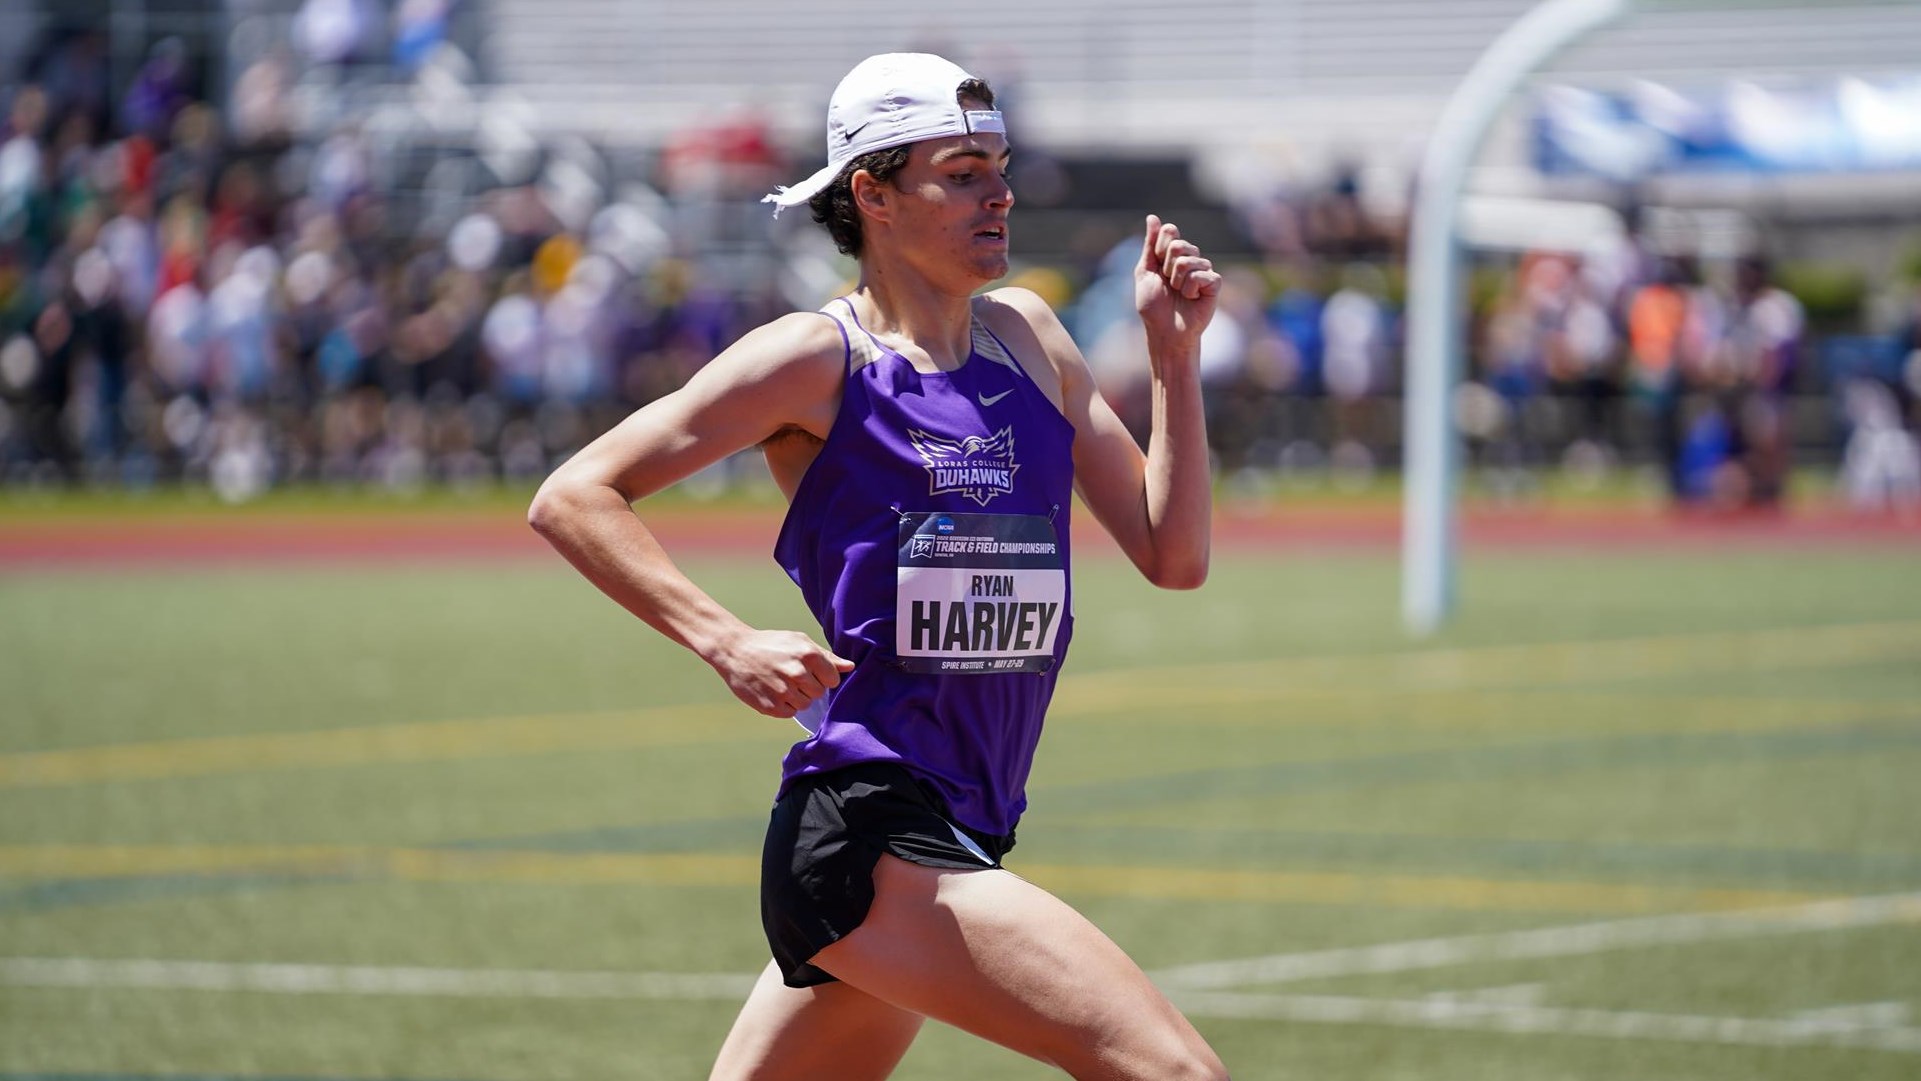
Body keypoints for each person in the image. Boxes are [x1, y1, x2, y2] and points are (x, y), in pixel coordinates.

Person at [528, 52, 1229, 1081]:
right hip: (871, 826)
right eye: (962, 174)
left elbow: (1174, 554)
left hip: (969, 820)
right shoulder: (816, 359)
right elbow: (574, 494)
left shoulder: (1031, 339)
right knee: (1175, 1071)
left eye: (999, 169)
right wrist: (724, 638)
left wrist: (1173, 356)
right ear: (873, 194)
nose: (999, 195)